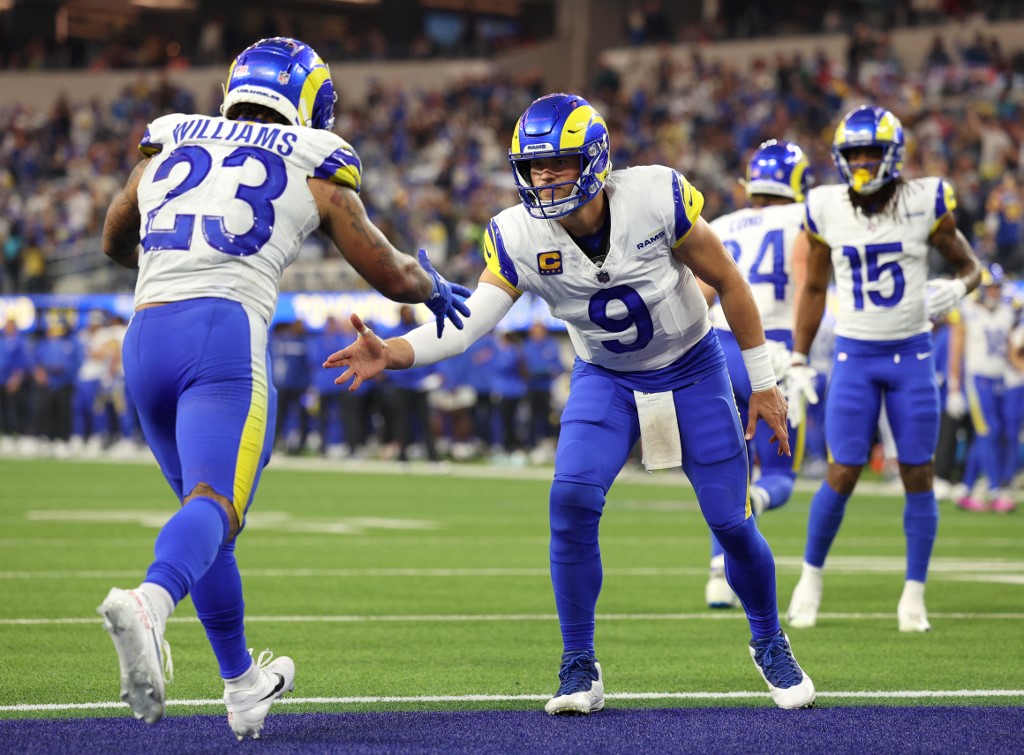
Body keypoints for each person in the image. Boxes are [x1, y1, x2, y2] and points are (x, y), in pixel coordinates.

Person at [326, 92, 816, 714]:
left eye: (557, 162)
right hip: (605, 377)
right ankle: (579, 665)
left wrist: (765, 381)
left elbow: (729, 281)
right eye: (534, 166)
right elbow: (474, 320)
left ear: (594, 160)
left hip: (692, 368)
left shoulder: (655, 196)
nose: (544, 176)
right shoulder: (517, 234)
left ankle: (769, 640)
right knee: (572, 499)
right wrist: (395, 350)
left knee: (729, 519)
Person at [96, 37, 470, 739]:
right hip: (223, 335)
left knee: (205, 518)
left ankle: (242, 686)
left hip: (144, 337)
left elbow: (116, 235)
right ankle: (150, 600)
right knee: (216, 505)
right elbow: (389, 272)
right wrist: (434, 285)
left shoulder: (170, 138)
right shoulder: (314, 156)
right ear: (308, 102)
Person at [784, 105, 982, 634]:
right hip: (855, 355)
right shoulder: (825, 205)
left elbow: (972, 266)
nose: (864, 161)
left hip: (912, 354)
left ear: (894, 156)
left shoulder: (926, 201)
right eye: (855, 153)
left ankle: (914, 592)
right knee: (842, 470)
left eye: (873, 152)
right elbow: (815, 287)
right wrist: (800, 356)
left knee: (918, 472)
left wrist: (959, 287)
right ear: (841, 158)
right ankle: (811, 576)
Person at [699, 140, 811, 609]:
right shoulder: (807, 219)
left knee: (729, 469)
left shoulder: (722, 225)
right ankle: (756, 506)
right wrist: (804, 354)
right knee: (781, 475)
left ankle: (716, 575)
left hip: (720, 348)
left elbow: (701, 296)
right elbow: (811, 284)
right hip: (774, 351)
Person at [947, 264, 1017, 513]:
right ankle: (995, 491)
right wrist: (954, 387)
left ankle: (965, 490)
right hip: (977, 381)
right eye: (991, 287)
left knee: (986, 436)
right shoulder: (967, 311)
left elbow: (1009, 349)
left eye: (998, 287)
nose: (995, 292)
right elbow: (955, 352)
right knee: (990, 432)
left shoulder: (1007, 312)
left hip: (999, 380)